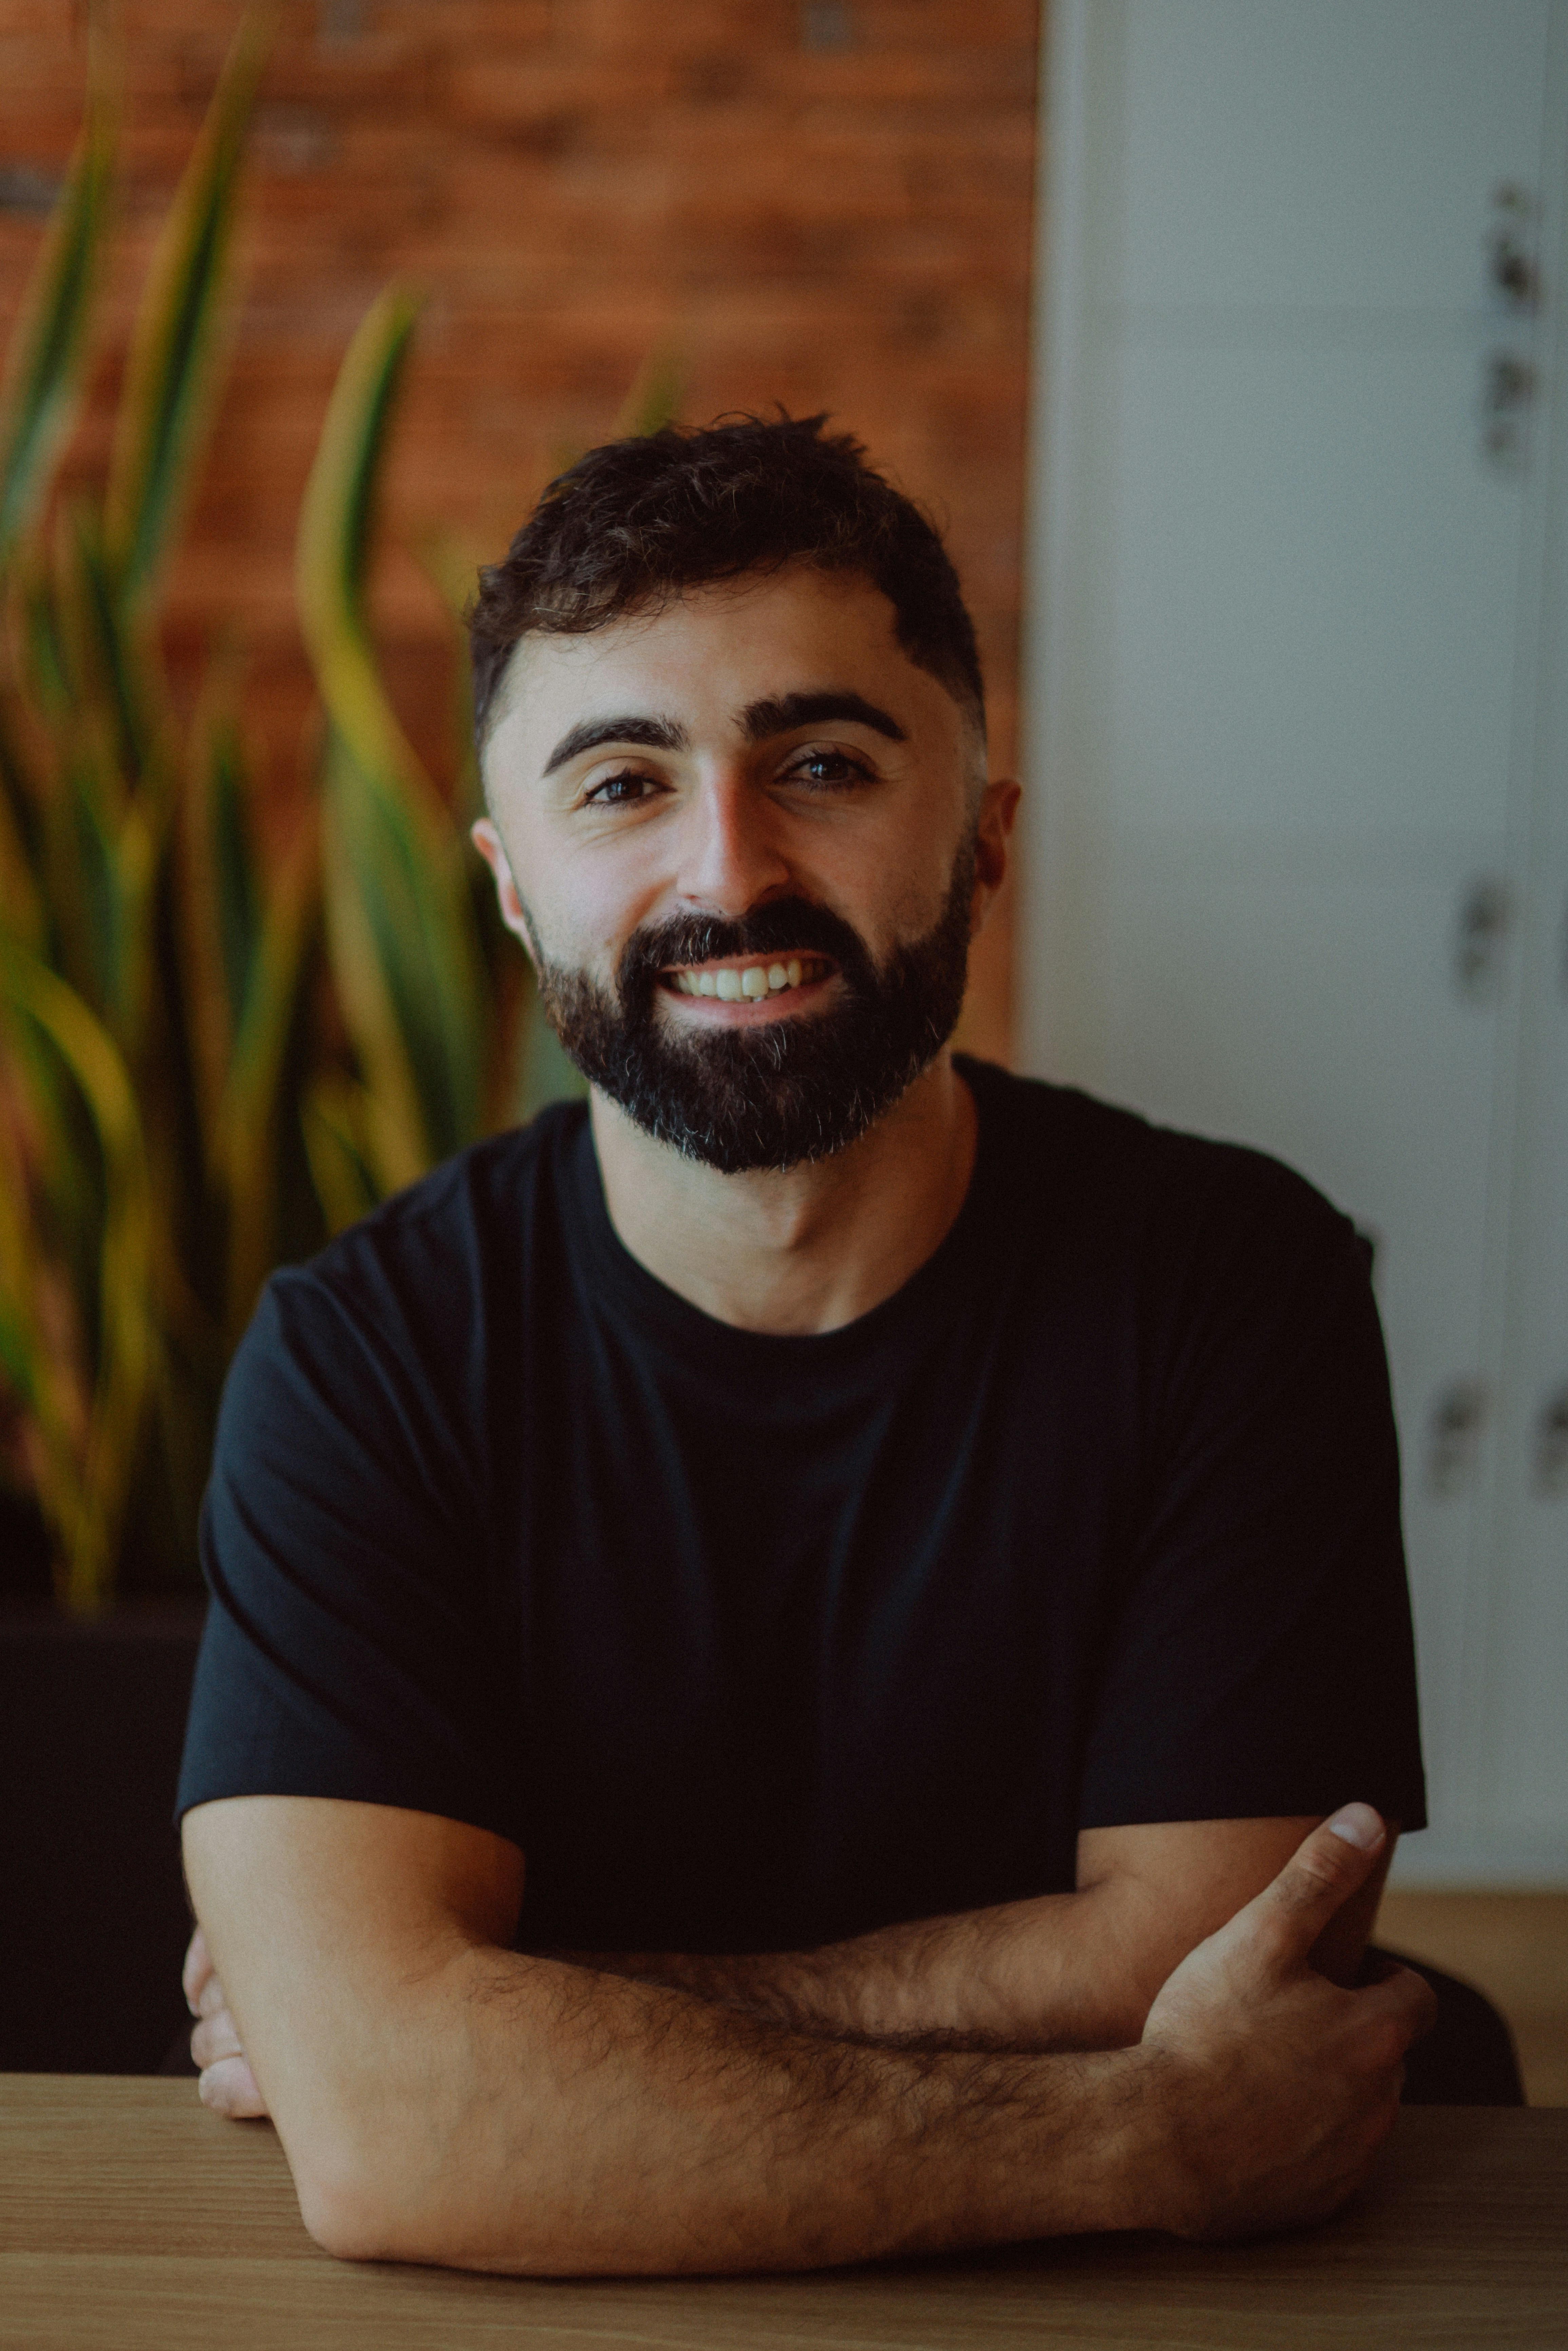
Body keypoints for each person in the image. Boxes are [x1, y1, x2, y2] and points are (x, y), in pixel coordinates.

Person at [177, 415, 1435, 2275]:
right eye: (622, 784)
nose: (730, 869)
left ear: (985, 837)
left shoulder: (1233, 1288)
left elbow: (1224, 1958)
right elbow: (389, 2131)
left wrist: (510, 2018)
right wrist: (1141, 2132)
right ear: (512, 884)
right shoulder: (361, 1362)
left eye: (824, 764)